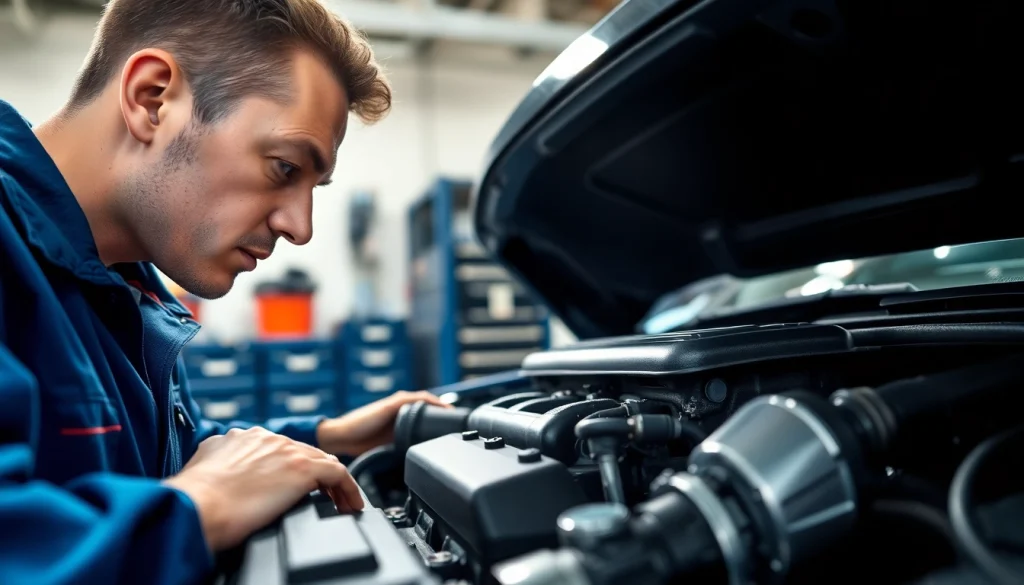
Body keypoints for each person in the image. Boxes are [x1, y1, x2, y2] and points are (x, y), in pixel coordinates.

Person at [0, 1, 449, 583]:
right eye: (285, 168)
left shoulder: (131, 288)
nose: (301, 228)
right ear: (152, 99)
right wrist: (200, 506)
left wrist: (325, 439)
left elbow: (169, 460)